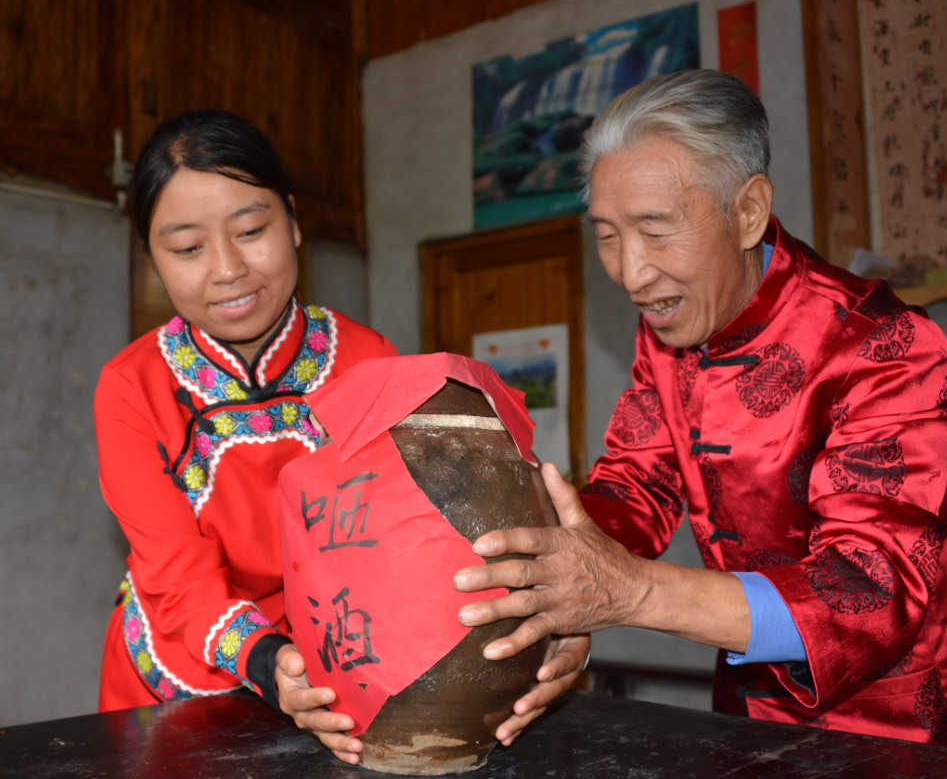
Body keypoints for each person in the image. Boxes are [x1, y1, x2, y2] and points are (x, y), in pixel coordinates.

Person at [453, 70, 947, 749]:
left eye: (653, 229)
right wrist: (556, 583)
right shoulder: (672, 326)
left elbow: (867, 589)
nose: (630, 272)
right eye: (607, 234)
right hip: (743, 713)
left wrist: (632, 592)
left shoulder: (880, 345)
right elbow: (633, 488)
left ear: (748, 211)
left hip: (889, 730)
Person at [95, 110, 583, 765]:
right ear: (151, 256)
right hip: (174, 680)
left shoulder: (366, 357)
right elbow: (174, 575)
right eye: (186, 248)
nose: (227, 268)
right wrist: (268, 659)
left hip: (332, 666)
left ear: (293, 221)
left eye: (251, 230)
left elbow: (409, 535)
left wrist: (524, 632)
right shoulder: (131, 386)